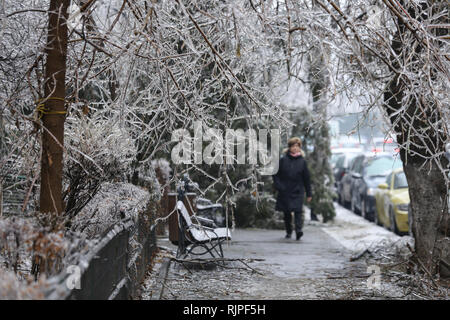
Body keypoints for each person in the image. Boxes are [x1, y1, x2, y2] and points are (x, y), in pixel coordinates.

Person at [273, 137, 312, 240]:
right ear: (289, 147)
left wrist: (309, 193)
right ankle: (289, 231)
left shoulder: (302, 162)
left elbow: (306, 178)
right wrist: (279, 186)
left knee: (298, 211)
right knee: (287, 212)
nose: (295, 148)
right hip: (285, 190)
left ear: (300, 148)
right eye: (293, 146)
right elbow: (275, 174)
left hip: (298, 190)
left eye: (297, 146)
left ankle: (298, 230)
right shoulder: (283, 160)